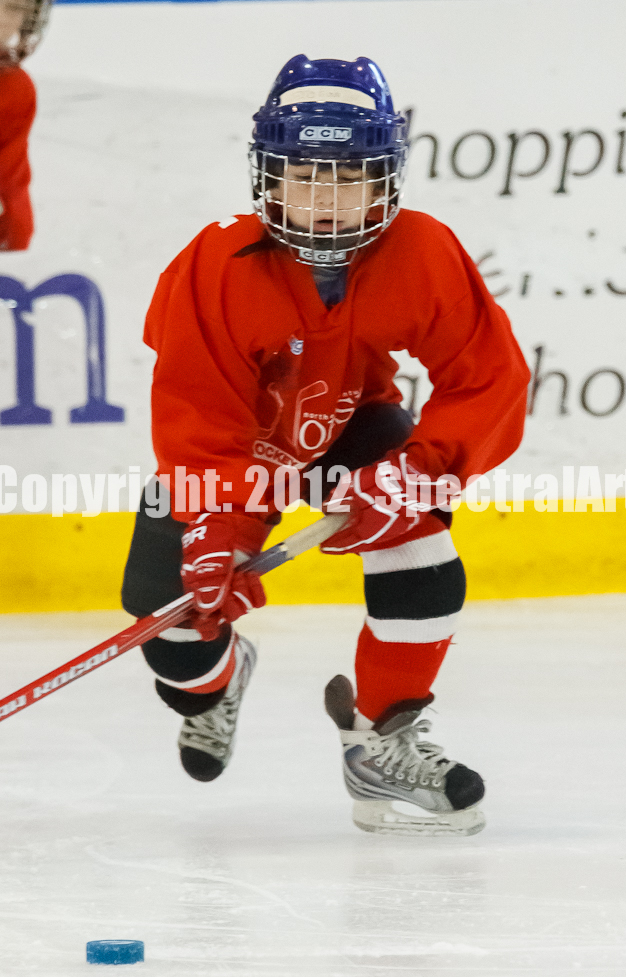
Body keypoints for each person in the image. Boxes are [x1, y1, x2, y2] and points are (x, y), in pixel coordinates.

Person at [122, 55, 530, 836]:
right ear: (268, 177)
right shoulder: (215, 263)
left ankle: (380, 739)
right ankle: (217, 685)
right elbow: (199, 412)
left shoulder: (422, 251)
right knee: (172, 625)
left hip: (351, 425)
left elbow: (492, 378)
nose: (324, 199)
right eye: (305, 174)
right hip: (237, 450)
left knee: (421, 543)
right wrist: (218, 523)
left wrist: (415, 472)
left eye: (349, 176)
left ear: (384, 181)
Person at [0, 0, 51, 251]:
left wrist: (15, 235)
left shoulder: (14, 89)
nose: (2, 20)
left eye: (17, 9)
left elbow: (9, 178)